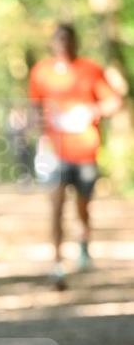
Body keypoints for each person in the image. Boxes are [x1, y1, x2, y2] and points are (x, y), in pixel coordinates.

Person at [28, 23, 122, 290]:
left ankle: (83, 242)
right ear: (52, 43)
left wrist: (91, 111)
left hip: (85, 150)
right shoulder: (41, 72)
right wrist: (38, 132)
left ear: (75, 42)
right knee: (55, 206)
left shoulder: (91, 70)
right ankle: (57, 261)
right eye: (59, 40)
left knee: (83, 205)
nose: (63, 44)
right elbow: (33, 107)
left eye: (68, 39)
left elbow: (114, 102)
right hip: (54, 152)